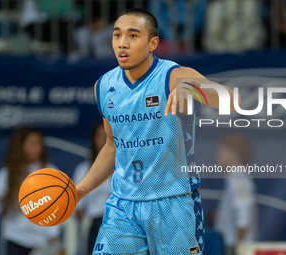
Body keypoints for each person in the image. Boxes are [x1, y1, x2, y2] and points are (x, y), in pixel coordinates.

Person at [75, 8, 239, 255]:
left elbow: (232, 99)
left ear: (153, 43)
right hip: (123, 206)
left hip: (173, 202)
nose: (122, 43)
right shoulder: (104, 85)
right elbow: (112, 146)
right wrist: (80, 190)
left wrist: (193, 89)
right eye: (117, 35)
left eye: (132, 36)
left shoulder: (173, 75)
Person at [0, 126, 62, 255]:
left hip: (43, 240)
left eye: (39, 143)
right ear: (20, 146)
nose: (36, 147)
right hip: (15, 237)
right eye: (31, 143)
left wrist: (53, 232)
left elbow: (59, 206)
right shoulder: (7, 174)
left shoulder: (51, 172)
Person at [214, 134, 258, 255]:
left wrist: (238, 246)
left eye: (221, 151)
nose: (217, 156)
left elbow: (244, 214)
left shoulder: (239, 180)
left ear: (233, 154)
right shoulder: (233, 179)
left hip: (235, 249)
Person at [72, 121, 111, 255]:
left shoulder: (123, 168)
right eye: (100, 135)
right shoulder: (83, 169)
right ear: (93, 139)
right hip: (94, 224)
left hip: (118, 222)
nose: (104, 140)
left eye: (107, 135)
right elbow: (77, 205)